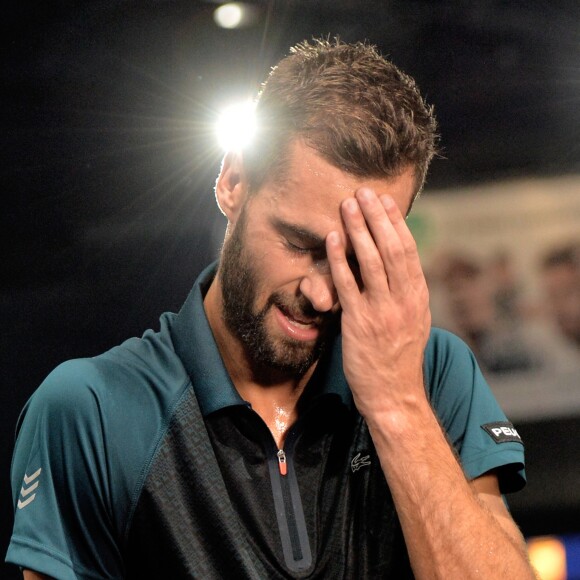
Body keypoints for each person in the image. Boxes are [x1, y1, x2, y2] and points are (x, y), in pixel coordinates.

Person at [6, 39, 535, 579]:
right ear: (233, 183)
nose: (323, 295)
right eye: (301, 245)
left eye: (355, 257)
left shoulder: (433, 371)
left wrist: (398, 405)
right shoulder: (92, 411)